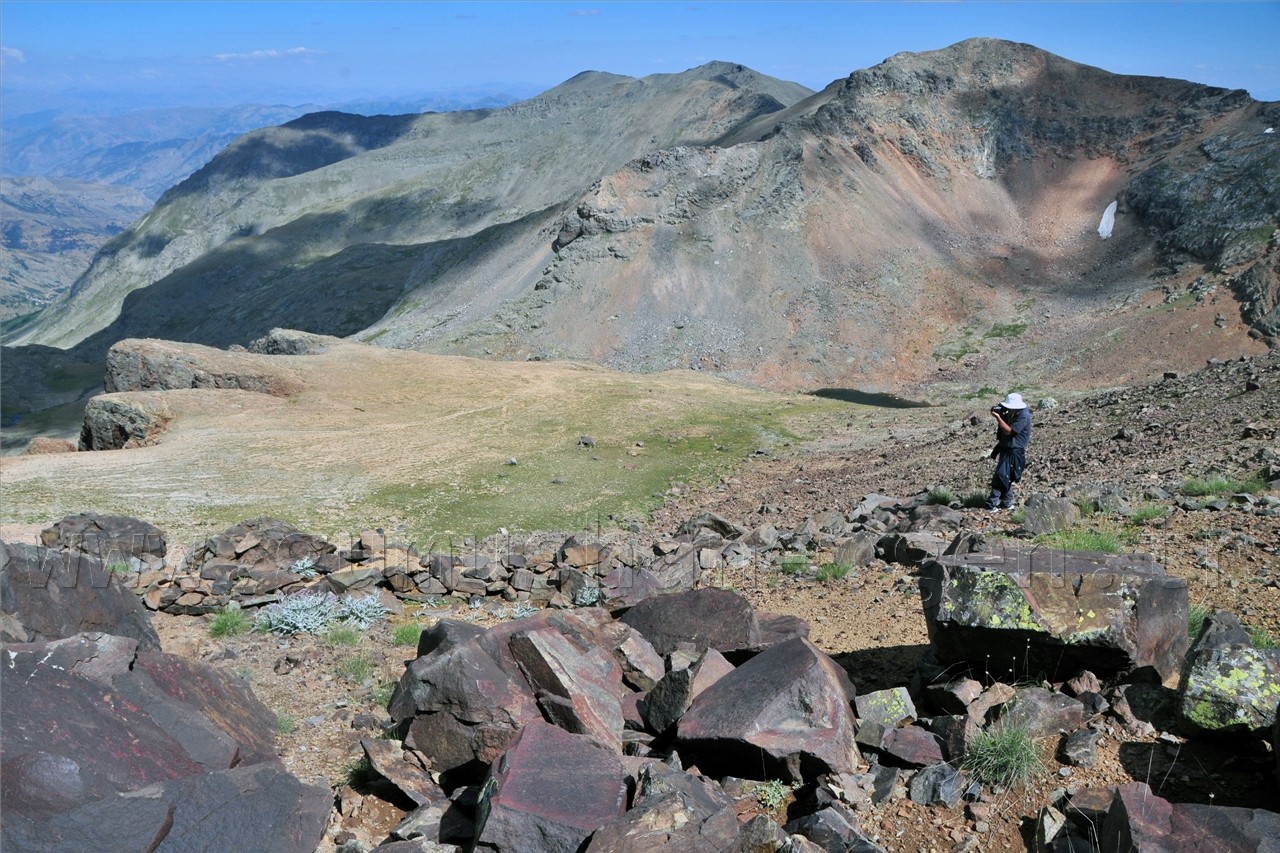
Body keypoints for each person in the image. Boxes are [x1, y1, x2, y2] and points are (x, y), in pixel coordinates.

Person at [986, 392, 1031, 511]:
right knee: (1005, 476)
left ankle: (992, 504)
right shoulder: (1012, 413)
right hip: (1007, 448)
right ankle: (1007, 502)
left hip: (1014, 451)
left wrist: (998, 417)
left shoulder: (1023, 416)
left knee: (1001, 476)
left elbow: (1009, 431)